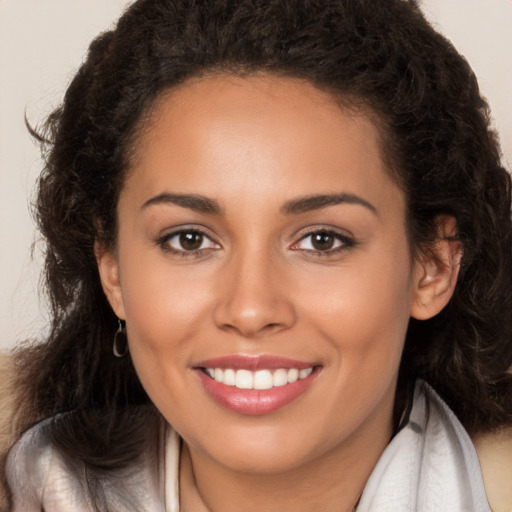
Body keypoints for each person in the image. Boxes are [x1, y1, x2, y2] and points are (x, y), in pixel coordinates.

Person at [2, 0, 511, 510]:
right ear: (112, 271)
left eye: (322, 240)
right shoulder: (33, 488)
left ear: (433, 268)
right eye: (189, 239)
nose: (250, 310)